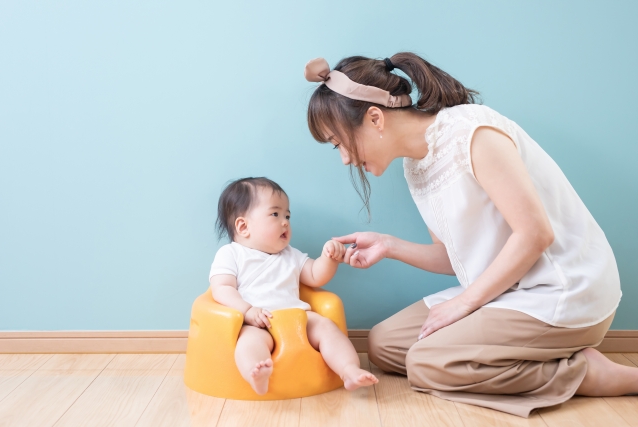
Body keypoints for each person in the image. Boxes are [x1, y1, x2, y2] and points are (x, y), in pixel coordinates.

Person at [304, 53, 636, 417]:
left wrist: (464, 304)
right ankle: (539, 355)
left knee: (427, 363)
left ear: (375, 118)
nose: (345, 159)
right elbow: (455, 257)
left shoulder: (470, 133)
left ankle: (587, 373)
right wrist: (389, 245)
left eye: (339, 143)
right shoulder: (416, 168)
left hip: (563, 289)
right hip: (507, 289)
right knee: (384, 345)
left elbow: (535, 234)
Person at [209, 177, 378, 395]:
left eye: (287, 215)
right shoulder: (231, 254)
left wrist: (329, 257)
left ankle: (349, 370)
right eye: (275, 214)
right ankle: (256, 374)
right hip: (258, 322)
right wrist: (247, 311)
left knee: (327, 328)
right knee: (249, 343)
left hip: (300, 318)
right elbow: (222, 288)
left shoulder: (291, 254)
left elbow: (315, 275)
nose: (285, 221)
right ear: (243, 226)